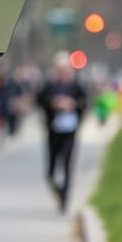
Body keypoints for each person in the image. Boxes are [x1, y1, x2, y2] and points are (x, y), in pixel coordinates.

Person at [37, 51, 88, 213]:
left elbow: (84, 103)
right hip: (53, 131)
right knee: (51, 171)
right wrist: (54, 104)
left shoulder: (76, 86)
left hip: (70, 131)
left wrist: (72, 104)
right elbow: (40, 100)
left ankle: (65, 195)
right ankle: (58, 191)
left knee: (66, 163)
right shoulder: (50, 86)